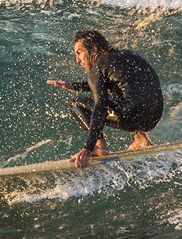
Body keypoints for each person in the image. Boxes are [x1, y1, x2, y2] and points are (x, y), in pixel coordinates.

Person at [47, 29, 163, 169]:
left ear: (93, 50)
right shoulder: (127, 55)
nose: (78, 60)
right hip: (154, 116)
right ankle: (141, 138)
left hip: (131, 116)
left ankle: (100, 145)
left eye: (79, 53)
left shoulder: (98, 67)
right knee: (124, 94)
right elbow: (112, 83)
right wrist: (73, 86)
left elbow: (100, 106)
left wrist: (87, 148)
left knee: (76, 103)